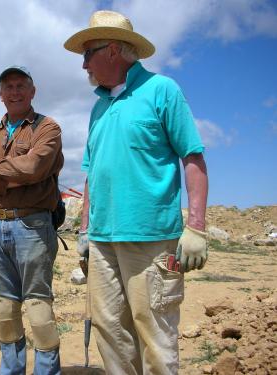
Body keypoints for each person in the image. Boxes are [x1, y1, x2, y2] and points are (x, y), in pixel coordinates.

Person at [64, 10, 209, 374]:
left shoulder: (162, 90)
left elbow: (192, 157)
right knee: (110, 333)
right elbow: (90, 176)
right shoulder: (99, 107)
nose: (83, 65)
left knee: (155, 336)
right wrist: (84, 232)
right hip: (101, 242)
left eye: (87, 54)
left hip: (151, 240)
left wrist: (196, 227)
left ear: (112, 50)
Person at [0, 66, 64, 375]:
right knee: (5, 307)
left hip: (33, 225)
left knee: (38, 307)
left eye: (21, 85)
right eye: (8, 87)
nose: (15, 91)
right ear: (0, 95)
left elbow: (35, 166)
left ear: (32, 91)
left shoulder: (48, 127)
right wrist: (13, 176)